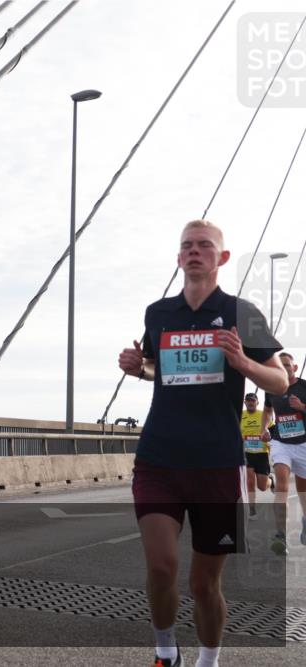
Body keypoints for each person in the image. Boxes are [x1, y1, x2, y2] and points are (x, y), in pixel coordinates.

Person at [118, 220, 287, 667]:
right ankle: (164, 649)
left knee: (203, 585)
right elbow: (160, 370)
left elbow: (280, 378)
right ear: (178, 259)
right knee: (160, 567)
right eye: (187, 246)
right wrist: (140, 367)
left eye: (204, 246)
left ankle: (208, 660)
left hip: (216, 463)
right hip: (159, 459)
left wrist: (242, 361)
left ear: (222, 258)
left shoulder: (241, 312)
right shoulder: (158, 314)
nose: (195, 252)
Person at [262, 351, 306, 556]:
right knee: (281, 485)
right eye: (280, 365)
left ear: (295, 368)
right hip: (281, 442)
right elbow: (267, 410)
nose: (284, 368)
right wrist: (264, 428)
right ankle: (280, 534)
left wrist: (302, 406)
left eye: (288, 365)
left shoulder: (304, 386)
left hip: (303, 444)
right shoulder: (271, 388)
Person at [240, 392, 272, 517]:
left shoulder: (263, 415)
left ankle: (271, 481)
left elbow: (273, 431)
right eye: (248, 400)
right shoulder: (240, 415)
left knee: (263, 487)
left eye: (253, 400)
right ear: (244, 402)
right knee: (249, 481)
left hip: (261, 453)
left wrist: (269, 437)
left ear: (257, 402)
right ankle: (252, 508)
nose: (250, 402)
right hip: (246, 453)